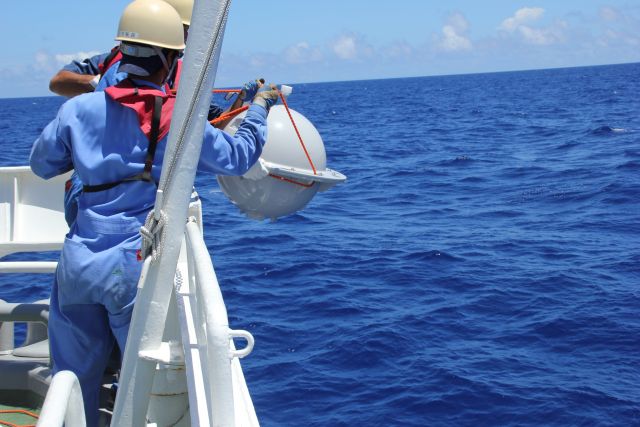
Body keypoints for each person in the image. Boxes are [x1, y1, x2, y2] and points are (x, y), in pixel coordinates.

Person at [30, 1, 278, 425]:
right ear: (170, 58)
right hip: (133, 263)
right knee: (141, 377)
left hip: (78, 260)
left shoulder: (77, 109)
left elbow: (42, 165)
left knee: (72, 377)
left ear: (123, 51)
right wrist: (259, 108)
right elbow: (237, 157)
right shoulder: (180, 119)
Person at [52, 0, 262, 227]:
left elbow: (210, 125)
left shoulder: (175, 73)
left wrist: (242, 99)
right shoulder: (116, 65)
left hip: (93, 190)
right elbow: (229, 154)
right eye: (186, 31)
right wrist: (259, 109)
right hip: (122, 198)